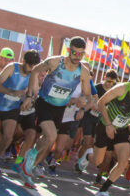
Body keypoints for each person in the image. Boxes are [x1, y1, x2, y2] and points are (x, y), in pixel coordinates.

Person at [21, 37, 92, 187]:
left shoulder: (83, 72)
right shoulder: (55, 62)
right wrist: (30, 95)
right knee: (51, 135)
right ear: (69, 50)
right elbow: (35, 71)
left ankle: (30, 168)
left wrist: (83, 101)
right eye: (74, 52)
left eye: (80, 54)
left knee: (49, 141)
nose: (76, 56)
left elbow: (87, 93)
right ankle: (31, 156)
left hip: (60, 108)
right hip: (45, 103)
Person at [90, 68, 130, 196]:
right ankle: (87, 155)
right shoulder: (121, 89)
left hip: (122, 128)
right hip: (106, 125)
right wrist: (109, 125)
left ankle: (103, 191)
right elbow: (101, 103)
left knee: (123, 162)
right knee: (97, 161)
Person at [76, 70, 116, 173]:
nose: (109, 83)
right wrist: (93, 105)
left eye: (111, 82)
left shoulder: (113, 92)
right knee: (87, 141)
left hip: (99, 120)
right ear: (104, 77)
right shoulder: (97, 88)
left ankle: (80, 161)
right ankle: (79, 162)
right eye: (108, 80)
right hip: (89, 117)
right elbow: (89, 99)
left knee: (89, 143)